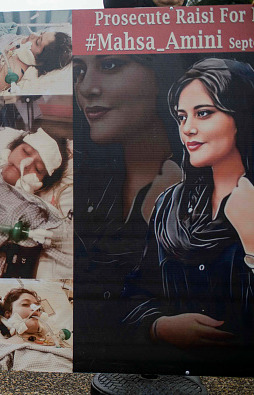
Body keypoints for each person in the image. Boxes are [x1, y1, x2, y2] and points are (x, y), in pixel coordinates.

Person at [123, 58, 254, 375]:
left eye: (203, 113)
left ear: (242, 116)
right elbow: (134, 292)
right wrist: (160, 327)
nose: (187, 128)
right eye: (182, 117)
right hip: (173, 369)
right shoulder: (170, 203)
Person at [71, 54, 185, 370]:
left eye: (109, 65)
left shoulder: (217, 191)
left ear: (161, 75)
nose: (86, 88)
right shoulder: (81, 185)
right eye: (79, 70)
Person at [0, 127, 73, 279]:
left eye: (38, 168)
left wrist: (41, 203)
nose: (26, 163)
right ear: (11, 149)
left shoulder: (27, 208)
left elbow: (64, 237)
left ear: (41, 183)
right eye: (25, 152)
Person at [0, 26, 72, 96]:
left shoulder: (13, 73)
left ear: (41, 61)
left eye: (37, 42)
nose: (33, 35)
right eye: (40, 34)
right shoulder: (23, 42)